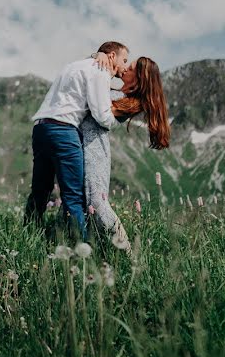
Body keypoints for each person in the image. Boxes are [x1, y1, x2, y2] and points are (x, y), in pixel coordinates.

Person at [24, 41, 129, 240]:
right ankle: (81, 251)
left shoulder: (74, 65)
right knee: (74, 196)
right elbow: (101, 115)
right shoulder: (100, 70)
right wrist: (116, 122)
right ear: (112, 56)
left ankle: (28, 235)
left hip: (41, 128)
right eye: (124, 60)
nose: (125, 66)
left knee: (40, 190)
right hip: (64, 131)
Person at [81, 56, 170, 253]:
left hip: (94, 150)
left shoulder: (130, 102)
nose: (123, 69)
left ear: (138, 78)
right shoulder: (118, 93)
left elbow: (97, 104)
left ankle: (127, 252)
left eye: (129, 68)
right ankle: (88, 247)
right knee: (81, 200)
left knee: (97, 202)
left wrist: (103, 69)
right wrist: (100, 55)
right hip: (83, 145)